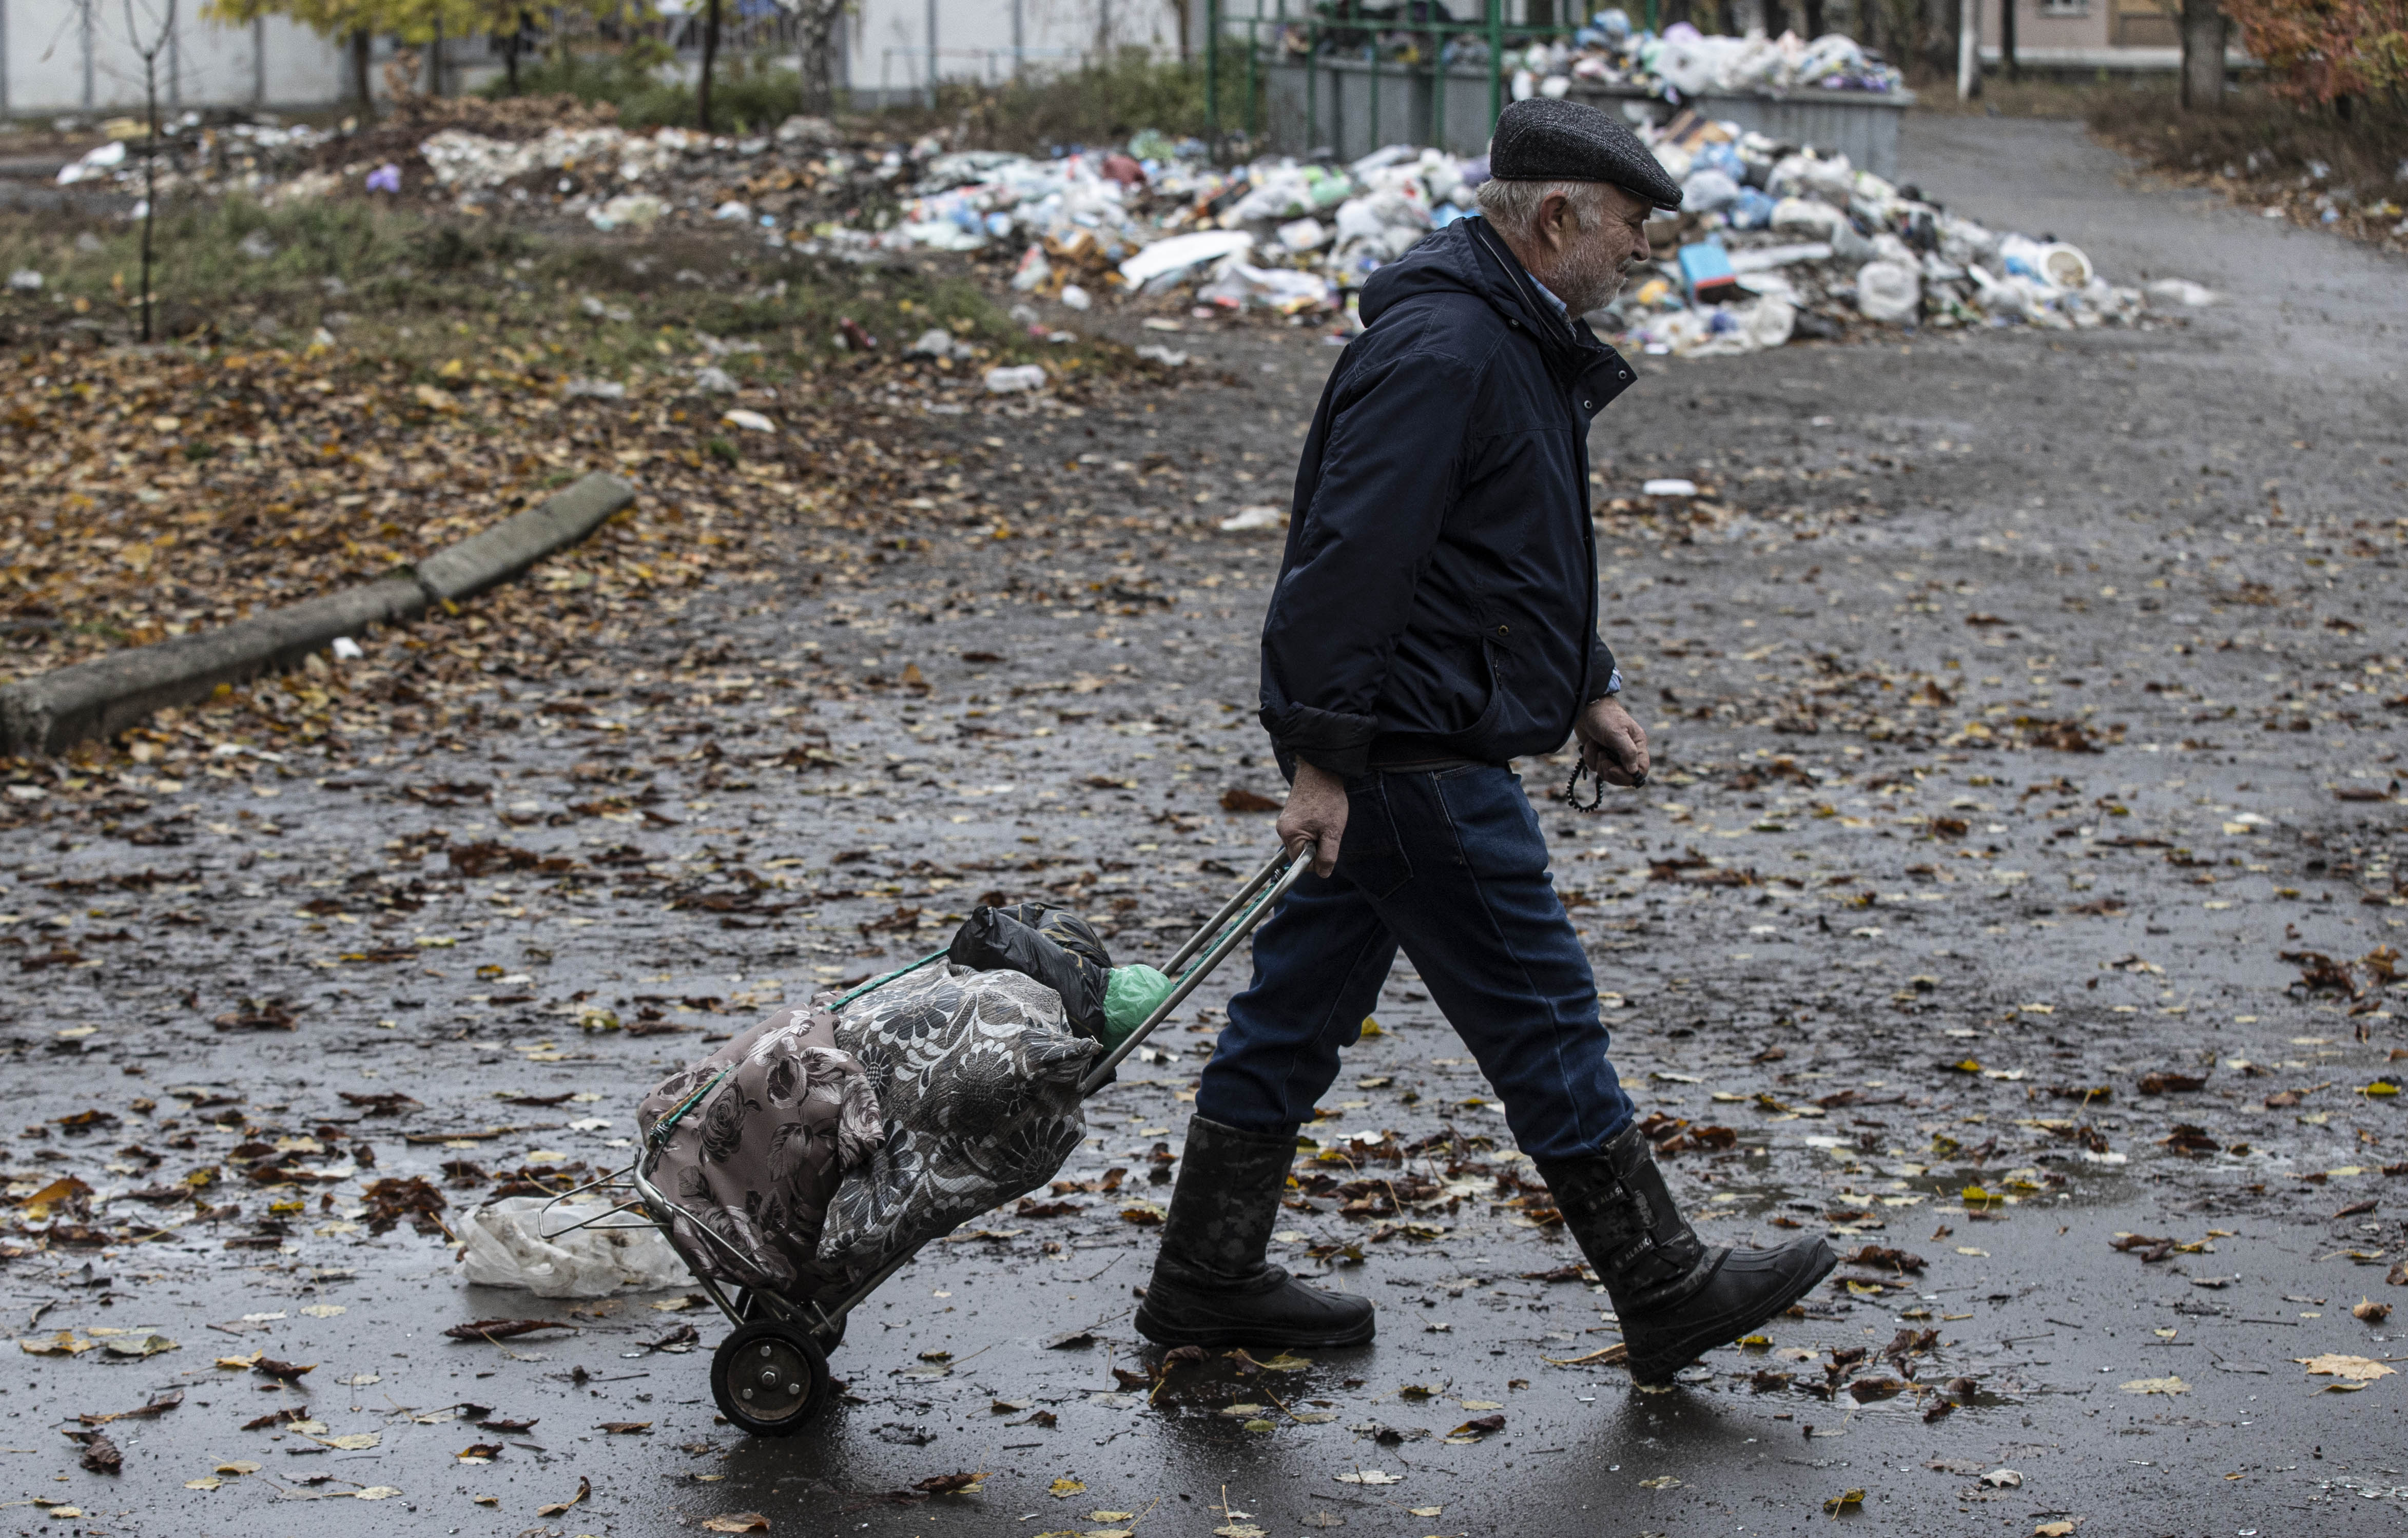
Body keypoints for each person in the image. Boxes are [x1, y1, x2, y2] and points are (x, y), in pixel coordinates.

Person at [1135, 99, 1835, 1387]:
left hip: (1411, 738)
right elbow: (1348, 566)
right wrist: (1321, 761)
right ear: (1559, 217)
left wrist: (1586, 687)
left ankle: (1206, 1270)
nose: (1640, 253)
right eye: (1630, 228)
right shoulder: (1452, 350)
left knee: (1291, 1017)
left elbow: (1501, 558)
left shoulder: (1512, 336)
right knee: (1545, 1017)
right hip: (1415, 755)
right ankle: (1663, 1280)